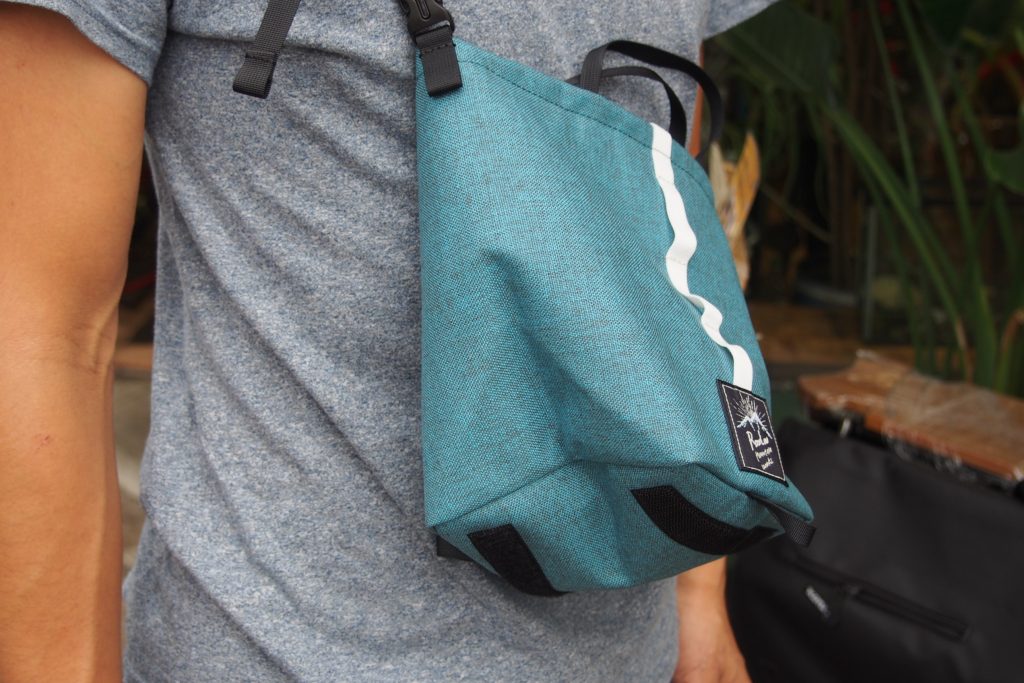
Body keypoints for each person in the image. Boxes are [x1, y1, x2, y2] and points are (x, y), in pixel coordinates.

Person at [0, 1, 774, 680]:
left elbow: (656, 180)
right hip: (272, 654)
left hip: (631, 653)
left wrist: (698, 587)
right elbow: (40, 332)